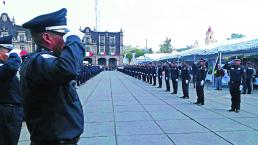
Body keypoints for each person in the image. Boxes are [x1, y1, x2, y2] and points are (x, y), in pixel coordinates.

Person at [20, 8, 85, 145]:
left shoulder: (48, 60)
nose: (66, 41)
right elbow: (68, 69)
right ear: (47, 37)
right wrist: (74, 38)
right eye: (63, 35)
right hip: (53, 140)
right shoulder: (40, 60)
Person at [0, 36, 23, 145]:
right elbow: (10, 69)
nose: (9, 53)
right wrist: (14, 55)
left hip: (13, 109)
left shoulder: (6, 65)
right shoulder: (7, 66)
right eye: (8, 50)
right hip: (5, 110)